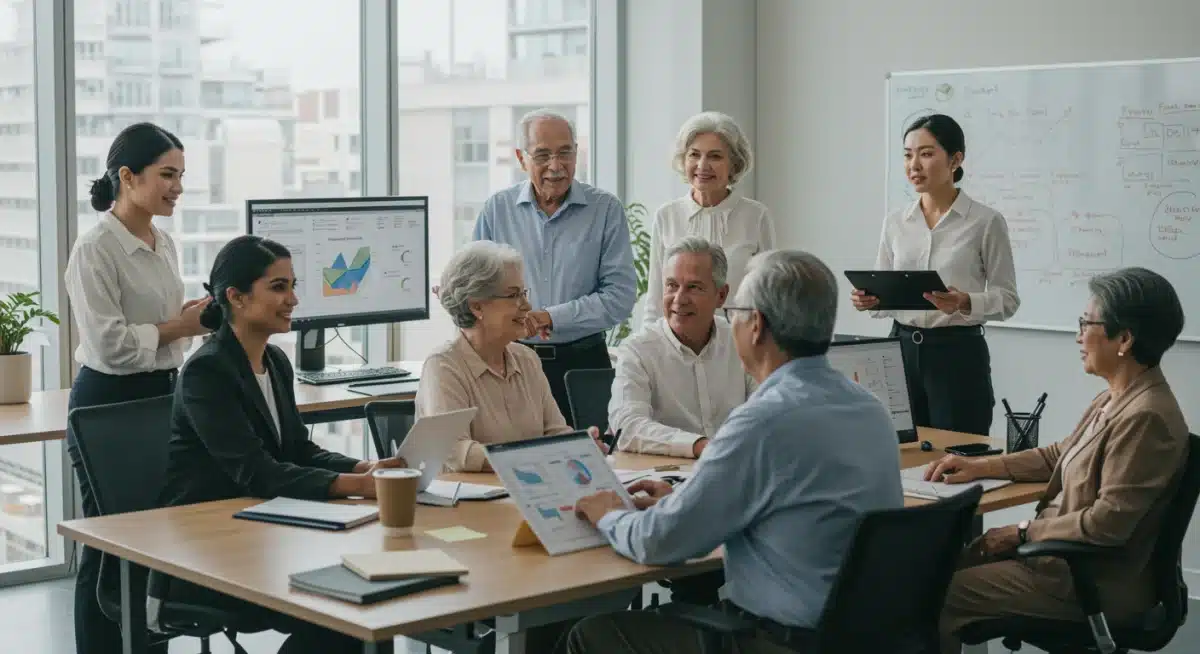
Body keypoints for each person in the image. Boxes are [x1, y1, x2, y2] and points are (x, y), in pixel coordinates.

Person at [569, 250, 904, 654]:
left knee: (592, 634)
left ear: (756, 325)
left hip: (781, 642)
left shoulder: (761, 421)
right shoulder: (870, 408)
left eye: (735, 312)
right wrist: (686, 501)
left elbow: (658, 543)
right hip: (867, 637)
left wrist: (609, 514)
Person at [152, 235, 404, 653]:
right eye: (278, 287)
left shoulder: (275, 361)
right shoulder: (207, 372)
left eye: (292, 286)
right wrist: (357, 486)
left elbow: (298, 451)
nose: (293, 299)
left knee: (366, 600)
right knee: (346, 611)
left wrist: (363, 468)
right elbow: (255, 471)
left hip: (267, 530)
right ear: (236, 297)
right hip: (209, 549)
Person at [925, 267, 1188, 654]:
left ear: (1125, 339)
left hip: (1088, 584)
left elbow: (1107, 524)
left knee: (936, 596)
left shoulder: (1146, 417)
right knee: (937, 571)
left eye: (1087, 324)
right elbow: (1058, 455)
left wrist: (1020, 532)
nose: (1079, 336)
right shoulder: (1116, 397)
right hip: (1062, 564)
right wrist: (980, 467)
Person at [62, 122, 210, 654]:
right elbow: (111, 345)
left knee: (155, 541)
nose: (178, 187)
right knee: (109, 543)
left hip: (163, 397)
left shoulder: (162, 241)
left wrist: (187, 321)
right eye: (167, 175)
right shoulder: (95, 248)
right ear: (127, 176)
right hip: (108, 405)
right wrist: (179, 327)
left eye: (181, 175)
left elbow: (165, 335)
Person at [852, 113, 1019, 436]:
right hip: (900, 350)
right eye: (908, 155)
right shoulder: (895, 222)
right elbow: (884, 291)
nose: (914, 165)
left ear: (956, 160)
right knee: (899, 448)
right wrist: (869, 300)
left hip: (957, 354)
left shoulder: (985, 222)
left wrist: (965, 302)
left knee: (960, 450)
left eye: (926, 154)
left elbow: (1008, 299)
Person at [473, 108, 636, 420]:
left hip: (584, 365)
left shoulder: (605, 210)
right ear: (522, 159)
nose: (555, 166)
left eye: (565, 153)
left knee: (594, 449)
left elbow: (620, 297)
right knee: (513, 449)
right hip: (510, 365)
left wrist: (550, 317)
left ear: (576, 153)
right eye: (542, 155)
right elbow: (478, 291)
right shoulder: (497, 210)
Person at [610, 237, 751, 459]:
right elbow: (627, 426)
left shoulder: (741, 340)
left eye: (694, 287)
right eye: (672, 286)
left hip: (736, 466)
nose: (679, 299)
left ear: (721, 295)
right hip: (665, 472)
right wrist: (700, 446)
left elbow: (769, 411)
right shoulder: (638, 350)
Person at [643, 111, 774, 325]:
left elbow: (769, 297)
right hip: (677, 341)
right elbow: (656, 300)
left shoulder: (756, 216)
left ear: (734, 164)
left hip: (738, 340)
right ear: (683, 159)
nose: (702, 165)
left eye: (715, 156)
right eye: (694, 155)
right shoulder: (666, 216)